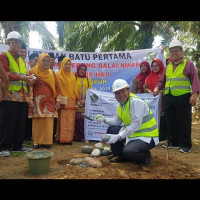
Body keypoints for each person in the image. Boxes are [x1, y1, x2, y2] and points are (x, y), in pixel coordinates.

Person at [96, 79, 159, 166]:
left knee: (129, 151)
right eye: (117, 93)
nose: (121, 94)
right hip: (133, 135)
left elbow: (135, 125)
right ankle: (121, 156)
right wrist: (104, 119)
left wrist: (119, 136)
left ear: (128, 90)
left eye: (123, 91)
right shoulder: (121, 105)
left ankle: (145, 157)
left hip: (147, 137)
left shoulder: (136, 102)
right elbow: (117, 122)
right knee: (113, 129)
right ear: (115, 95)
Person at [153, 39, 200, 153]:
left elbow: (195, 79)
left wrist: (194, 94)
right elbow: (162, 80)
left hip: (182, 97)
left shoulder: (188, 64)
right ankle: (173, 143)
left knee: (183, 121)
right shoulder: (168, 66)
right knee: (170, 120)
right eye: (171, 51)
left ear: (182, 52)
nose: (173, 53)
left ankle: (185, 145)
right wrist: (157, 87)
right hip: (169, 97)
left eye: (176, 51)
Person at [0, 31, 34, 157]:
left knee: (20, 122)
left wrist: (29, 79)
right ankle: (4, 146)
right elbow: (5, 74)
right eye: (15, 42)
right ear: (9, 43)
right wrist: (23, 78)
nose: (18, 45)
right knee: (7, 121)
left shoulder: (21, 60)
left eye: (20, 42)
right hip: (8, 94)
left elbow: (25, 76)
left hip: (21, 95)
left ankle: (17, 146)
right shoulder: (4, 56)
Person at [28, 52, 61, 149]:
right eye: (44, 60)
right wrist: (30, 99)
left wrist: (58, 100)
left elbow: (57, 86)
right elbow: (29, 86)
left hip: (49, 101)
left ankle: (47, 142)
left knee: (48, 121)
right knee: (38, 121)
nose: (47, 63)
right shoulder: (32, 71)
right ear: (39, 61)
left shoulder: (52, 73)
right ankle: (37, 142)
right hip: (37, 100)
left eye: (48, 61)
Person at [56, 57, 80, 144]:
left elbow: (75, 88)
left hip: (72, 101)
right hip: (62, 100)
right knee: (62, 120)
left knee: (70, 121)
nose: (68, 66)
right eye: (66, 64)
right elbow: (57, 88)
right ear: (62, 64)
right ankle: (61, 139)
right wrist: (58, 99)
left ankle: (69, 139)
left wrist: (77, 98)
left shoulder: (72, 75)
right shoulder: (58, 75)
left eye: (69, 64)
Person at [143, 59, 166, 142]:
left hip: (163, 99)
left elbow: (166, 85)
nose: (155, 67)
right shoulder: (149, 77)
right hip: (152, 100)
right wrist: (151, 92)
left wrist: (159, 93)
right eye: (153, 66)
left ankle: (162, 137)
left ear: (160, 65)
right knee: (152, 116)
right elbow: (145, 87)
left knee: (162, 117)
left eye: (157, 65)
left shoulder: (164, 75)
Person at [74, 63, 93, 142]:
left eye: (84, 69)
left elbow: (90, 91)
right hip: (76, 102)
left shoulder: (88, 79)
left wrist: (85, 100)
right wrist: (77, 100)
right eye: (81, 69)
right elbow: (72, 89)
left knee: (83, 118)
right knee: (76, 119)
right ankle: (77, 136)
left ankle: (84, 135)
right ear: (78, 69)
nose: (82, 71)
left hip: (85, 102)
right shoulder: (74, 78)